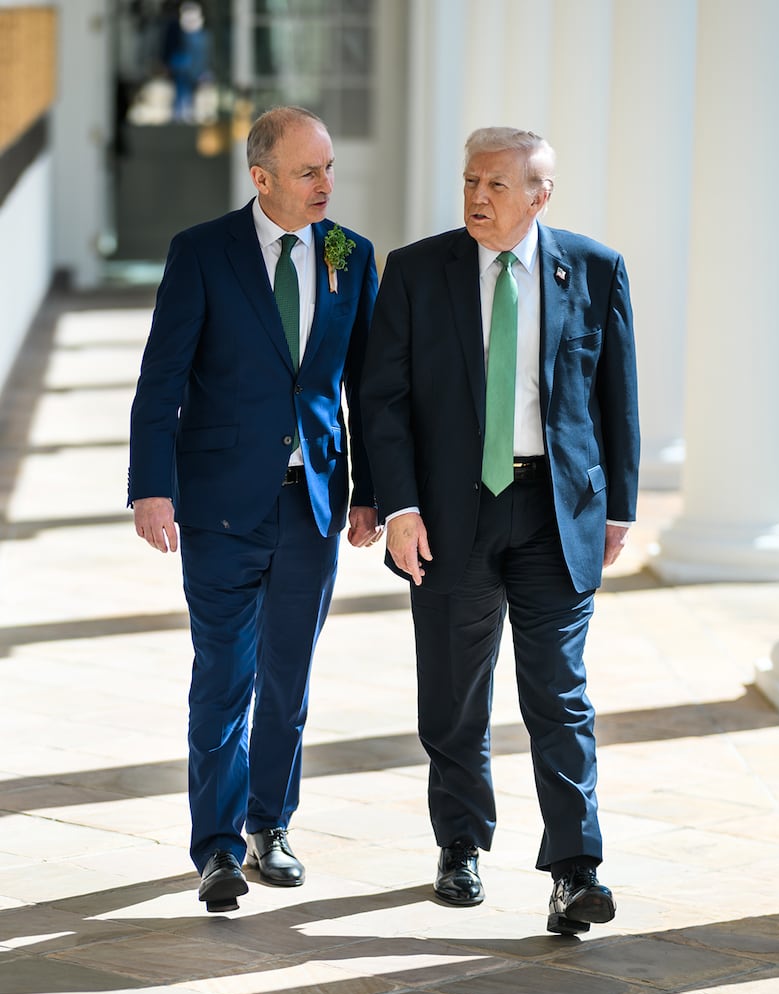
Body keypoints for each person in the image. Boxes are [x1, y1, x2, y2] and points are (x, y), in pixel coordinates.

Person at [361, 127, 639, 935]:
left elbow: (616, 398)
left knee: (559, 693)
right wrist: (400, 507)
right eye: (470, 182)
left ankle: (577, 869)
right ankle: (460, 844)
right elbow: (383, 402)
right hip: (450, 516)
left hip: (556, 515)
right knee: (453, 695)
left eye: (496, 185)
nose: (477, 198)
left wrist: (616, 506)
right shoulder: (416, 271)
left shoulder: (593, 268)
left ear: (539, 195)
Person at [128, 105, 380, 912]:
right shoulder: (202, 252)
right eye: (308, 172)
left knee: (288, 680)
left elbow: (370, 388)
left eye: (330, 167)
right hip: (220, 508)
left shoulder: (349, 253)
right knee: (224, 676)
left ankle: (271, 826)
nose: (325, 185)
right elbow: (162, 376)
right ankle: (217, 848)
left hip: (311, 505)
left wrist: (372, 491)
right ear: (261, 177)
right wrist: (150, 484)